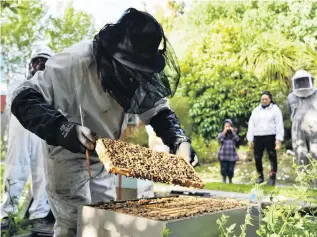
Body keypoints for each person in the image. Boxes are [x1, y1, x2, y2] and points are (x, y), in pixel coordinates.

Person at [10, 8, 198, 236]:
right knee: (73, 224)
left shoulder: (138, 75)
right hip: (65, 153)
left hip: (104, 156)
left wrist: (178, 140)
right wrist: (63, 128)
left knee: (104, 221)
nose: (133, 77)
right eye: (130, 70)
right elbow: (23, 97)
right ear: (111, 54)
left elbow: (157, 111)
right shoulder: (73, 63)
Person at [1, 45, 54, 226]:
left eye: (44, 63)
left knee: (43, 169)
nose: (39, 66)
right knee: (16, 165)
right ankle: (8, 214)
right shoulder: (18, 82)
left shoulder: (54, 88)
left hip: (44, 122)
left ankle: (39, 214)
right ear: (30, 64)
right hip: (21, 122)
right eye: (37, 62)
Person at [247, 91, 284, 186]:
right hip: (258, 137)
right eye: (262, 99)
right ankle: (260, 176)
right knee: (257, 158)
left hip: (270, 136)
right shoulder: (256, 110)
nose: (264, 101)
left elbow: (279, 124)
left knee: (272, 157)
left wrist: (278, 140)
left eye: (266, 99)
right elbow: (251, 125)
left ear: (270, 99)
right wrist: (250, 139)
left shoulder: (275, 110)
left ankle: (272, 177)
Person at [287, 70, 317, 165]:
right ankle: (304, 179)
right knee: (300, 154)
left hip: (315, 127)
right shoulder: (291, 96)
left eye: (304, 80)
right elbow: (290, 112)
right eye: (299, 81)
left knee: (316, 153)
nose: (302, 83)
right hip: (297, 129)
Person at [217, 119, 239, 184]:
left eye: (229, 126)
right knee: (223, 169)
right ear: (223, 127)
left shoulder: (233, 134)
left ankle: (230, 180)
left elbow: (237, 139)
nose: (227, 128)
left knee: (231, 169)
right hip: (223, 155)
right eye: (226, 126)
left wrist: (233, 132)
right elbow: (219, 139)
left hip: (232, 155)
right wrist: (224, 132)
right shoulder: (221, 133)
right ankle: (224, 180)